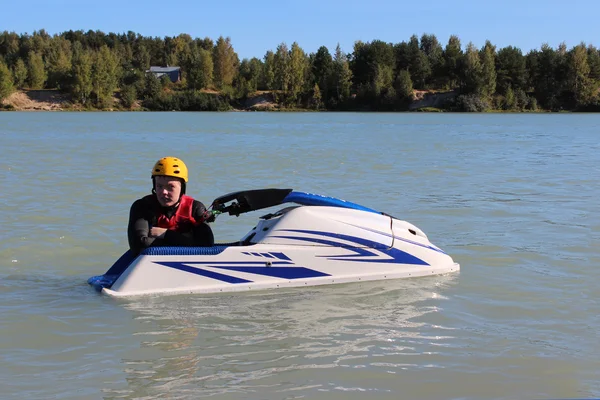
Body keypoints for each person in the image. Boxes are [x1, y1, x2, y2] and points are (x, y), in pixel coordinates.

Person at [127, 156, 214, 255]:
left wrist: (164, 234)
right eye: (159, 186)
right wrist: (186, 239)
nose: (164, 192)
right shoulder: (142, 206)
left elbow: (207, 246)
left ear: (182, 187)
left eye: (170, 187)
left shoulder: (195, 208)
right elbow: (139, 245)